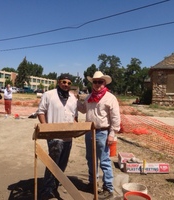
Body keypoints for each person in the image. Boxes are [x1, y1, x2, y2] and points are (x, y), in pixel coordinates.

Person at [77, 71, 121, 200]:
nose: (97, 84)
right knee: (90, 159)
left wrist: (112, 134)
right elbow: (83, 109)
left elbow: (115, 118)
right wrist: (73, 100)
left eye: (100, 82)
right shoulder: (89, 97)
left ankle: (108, 188)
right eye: (95, 82)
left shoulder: (110, 98)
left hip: (102, 132)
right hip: (89, 131)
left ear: (104, 83)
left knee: (105, 161)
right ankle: (93, 184)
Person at [36, 73, 78, 200]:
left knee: (63, 163)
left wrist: (76, 128)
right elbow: (41, 111)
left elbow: (74, 116)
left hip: (68, 137)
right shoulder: (49, 95)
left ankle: (55, 185)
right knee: (53, 162)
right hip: (54, 136)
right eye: (64, 82)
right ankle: (47, 190)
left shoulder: (73, 98)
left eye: (69, 83)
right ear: (59, 82)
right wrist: (46, 128)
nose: (66, 85)